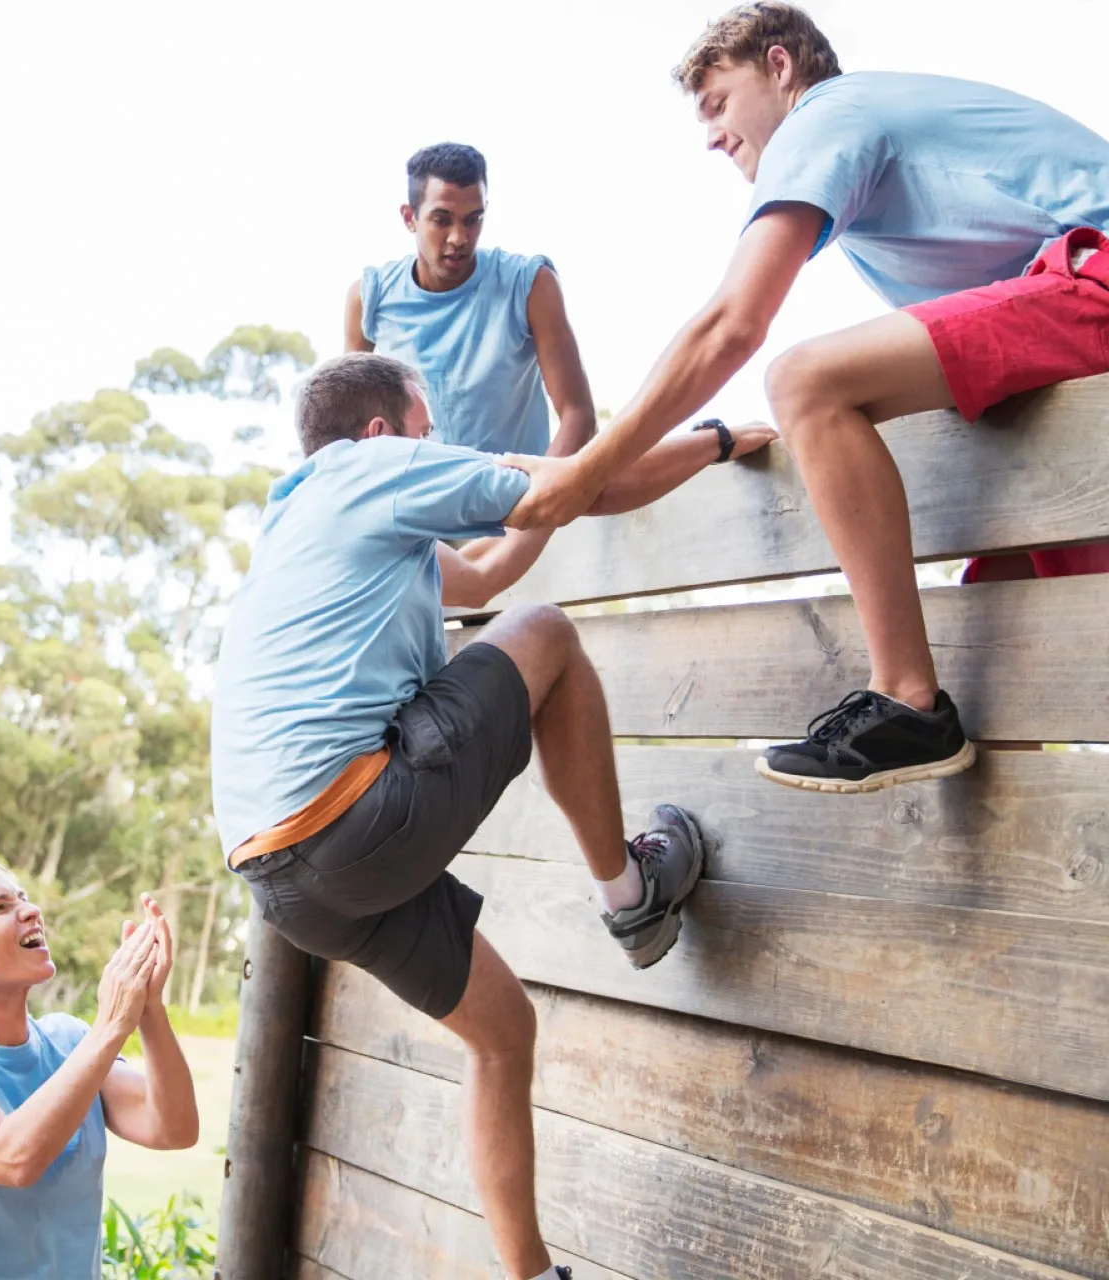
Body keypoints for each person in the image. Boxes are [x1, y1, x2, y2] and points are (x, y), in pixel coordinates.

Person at [501, 1, 1109, 792]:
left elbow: (732, 325)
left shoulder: (827, 116)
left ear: (782, 69)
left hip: (1092, 277)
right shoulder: (882, 179)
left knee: (805, 380)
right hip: (1069, 331)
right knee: (995, 641)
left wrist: (582, 470)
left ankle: (908, 699)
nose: (711, 135)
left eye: (718, 103)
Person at [212, 352, 708, 1280]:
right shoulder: (370, 469)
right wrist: (698, 433)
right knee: (549, 633)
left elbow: (482, 574)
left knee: (502, 1030)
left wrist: (645, 462)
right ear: (381, 434)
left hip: (286, 885)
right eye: (426, 429)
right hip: (350, 824)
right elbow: (553, 496)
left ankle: (531, 1277)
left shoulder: (304, 522)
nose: (434, 446)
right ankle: (631, 895)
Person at [347, 142, 776, 604]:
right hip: (416, 509)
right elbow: (347, 431)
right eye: (442, 219)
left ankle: (713, 439)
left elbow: (577, 414)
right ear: (409, 218)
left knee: (589, 485)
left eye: (474, 219)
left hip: (514, 494)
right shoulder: (368, 298)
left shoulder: (527, 283)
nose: (459, 237)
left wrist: (542, 506)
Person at [0, 852, 199, 1279]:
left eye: (24, 898)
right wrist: (109, 1027)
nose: (31, 911)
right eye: (0, 907)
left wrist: (149, 1009)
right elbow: (11, 1158)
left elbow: (172, 1128)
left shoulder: (69, 1041)